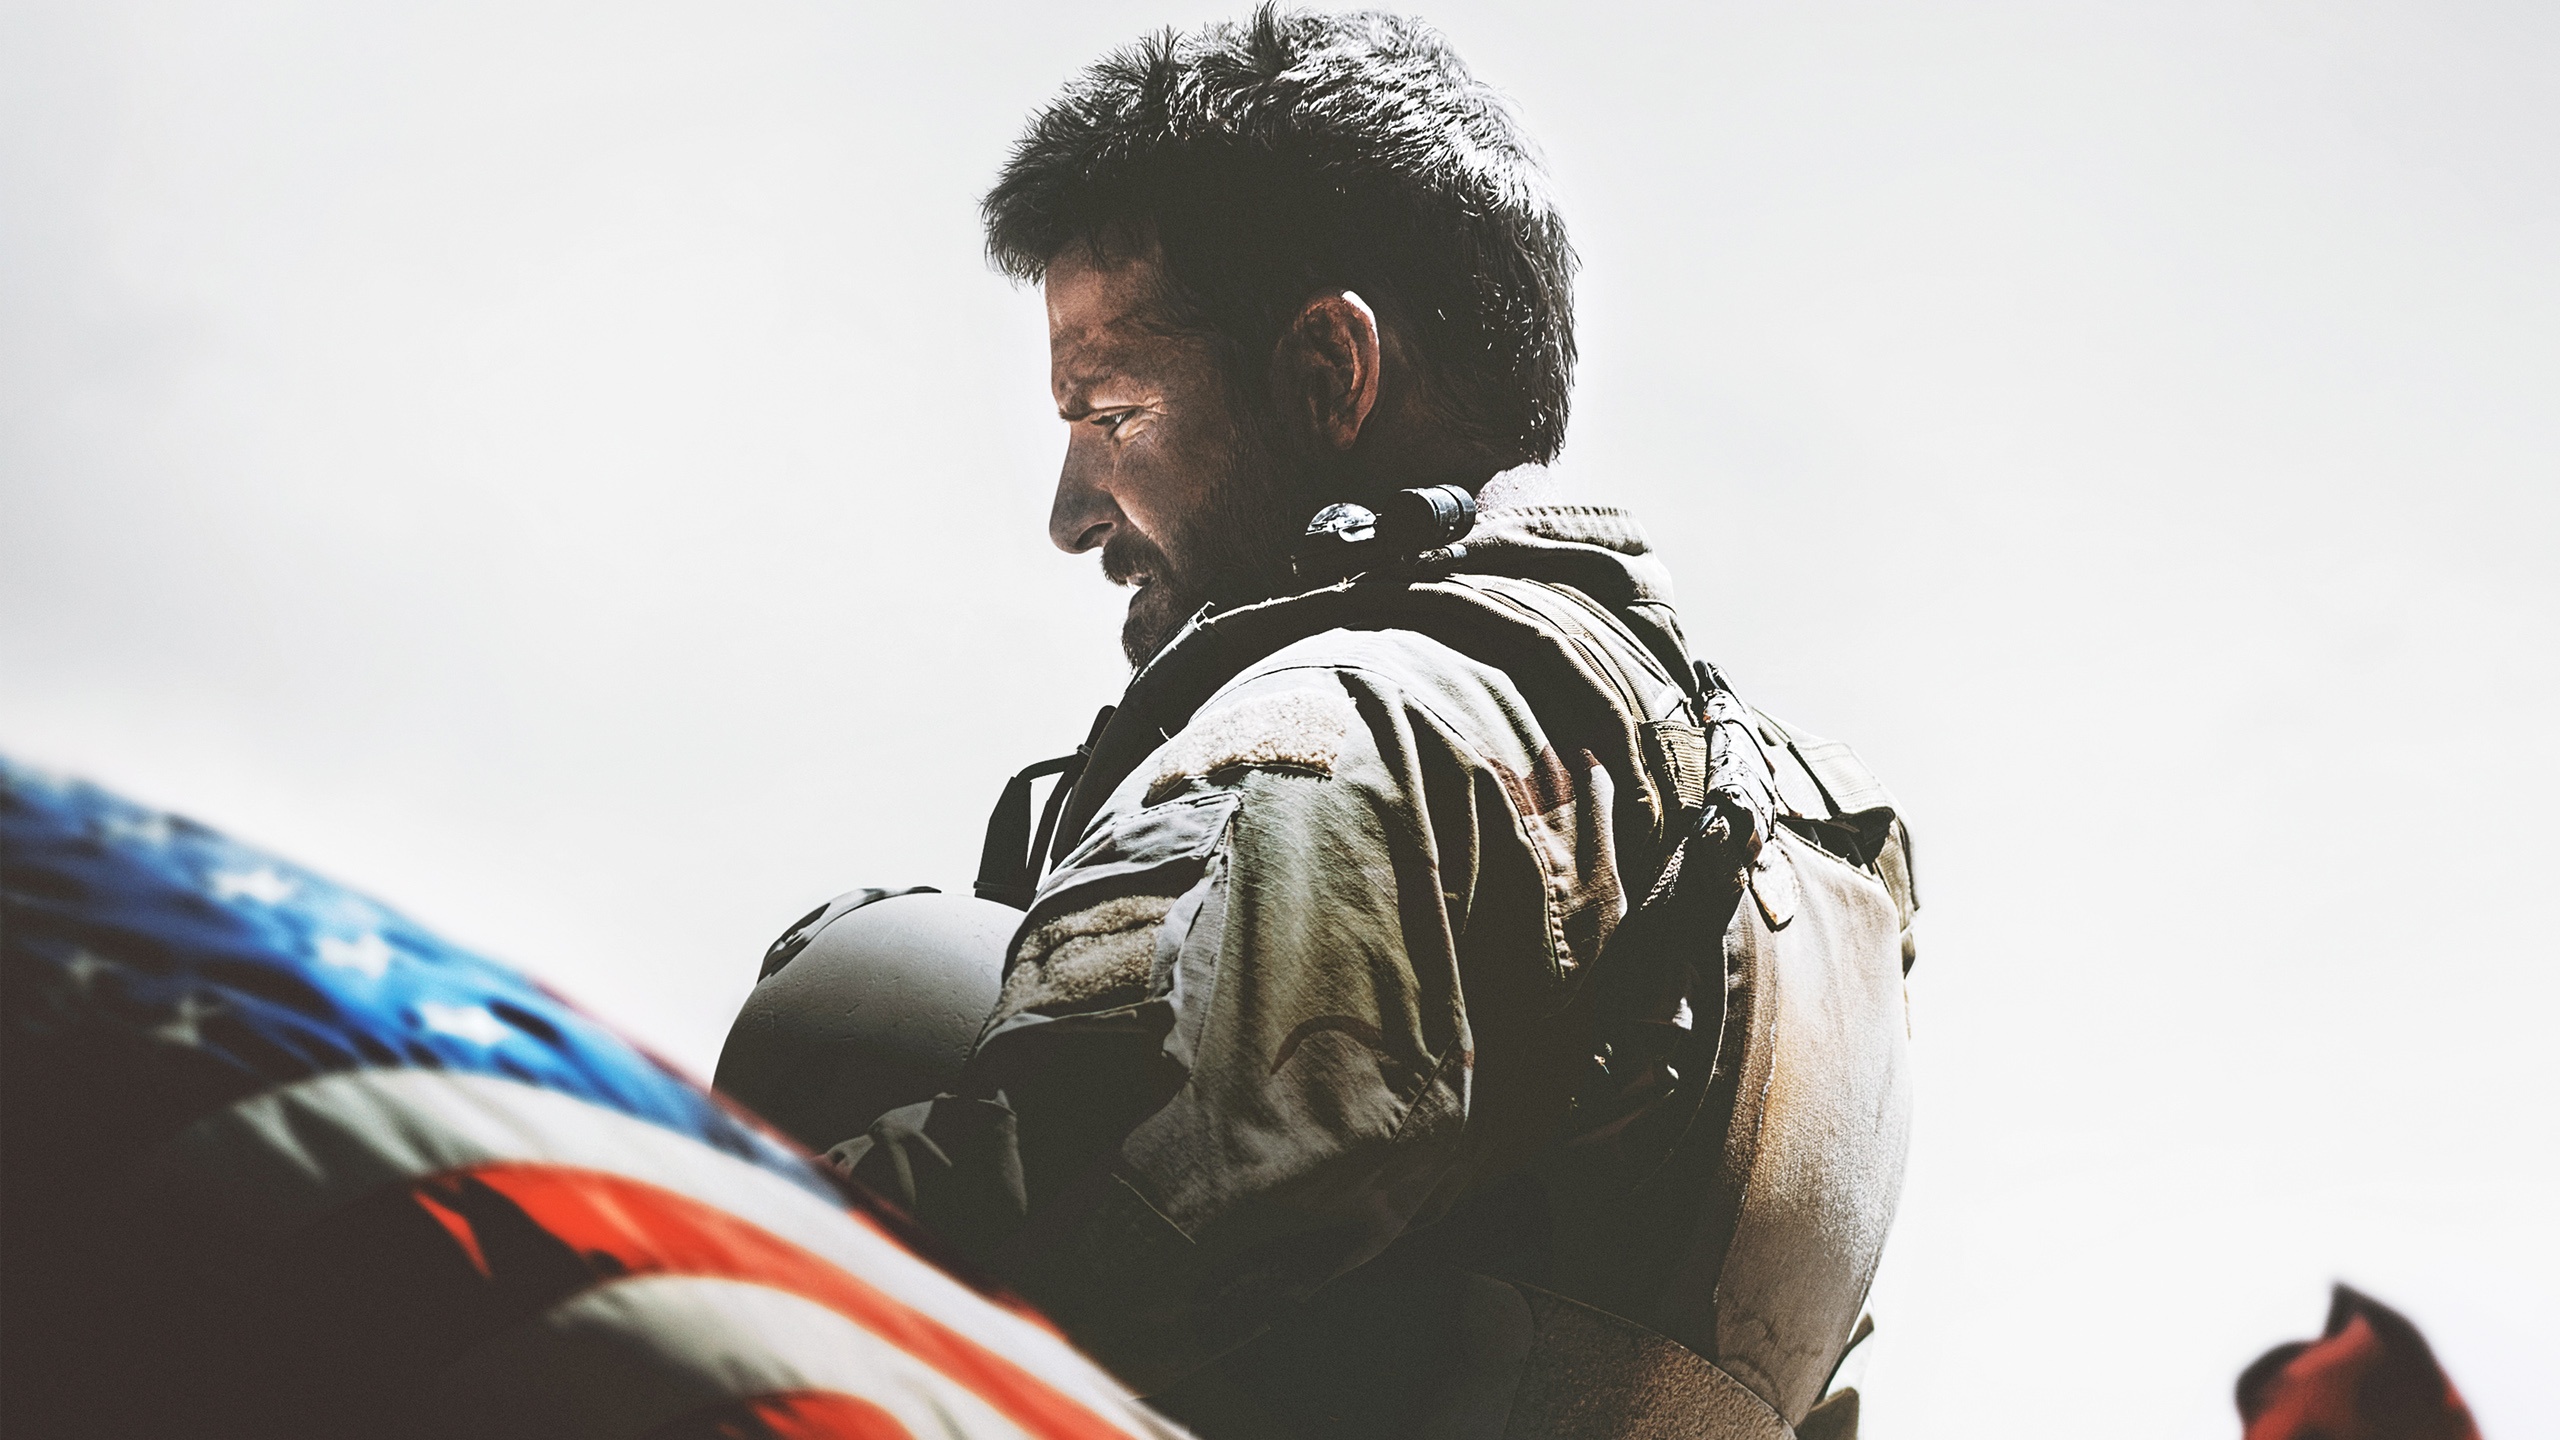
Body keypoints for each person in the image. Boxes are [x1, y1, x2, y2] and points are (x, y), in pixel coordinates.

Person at [830, 10, 1920, 1437]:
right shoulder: (1788, 830)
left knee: (852, 997)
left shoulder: (1349, 732)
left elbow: (1030, 1231)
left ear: (1326, 374)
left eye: (1110, 413)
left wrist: (586, 1215)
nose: (1072, 512)